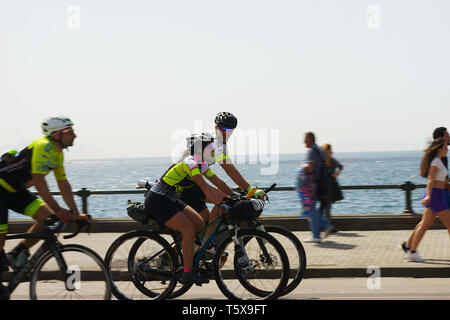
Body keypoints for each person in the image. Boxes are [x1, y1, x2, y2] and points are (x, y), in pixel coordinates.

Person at [0, 116, 90, 298]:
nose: (75, 135)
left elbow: (63, 184)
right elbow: (40, 183)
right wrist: (59, 209)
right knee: (0, 239)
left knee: (49, 220)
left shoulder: (58, 153)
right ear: (56, 135)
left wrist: (75, 213)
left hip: (16, 192)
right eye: (70, 132)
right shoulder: (43, 146)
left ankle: (18, 252)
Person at [144, 133, 231, 284]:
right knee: (189, 229)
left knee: (199, 224)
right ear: (200, 149)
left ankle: (185, 258)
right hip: (157, 200)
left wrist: (236, 197)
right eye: (210, 147)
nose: (212, 151)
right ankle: (187, 272)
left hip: (171, 198)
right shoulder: (190, 162)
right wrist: (222, 202)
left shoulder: (201, 164)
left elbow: (219, 182)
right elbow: (205, 188)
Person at [179, 112, 268, 249]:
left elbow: (218, 178)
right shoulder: (213, 142)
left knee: (203, 226)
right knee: (223, 200)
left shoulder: (220, 143)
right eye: (224, 129)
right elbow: (230, 170)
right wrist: (251, 189)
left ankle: (169, 257)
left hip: (194, 184)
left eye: (230, 130)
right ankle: (208, 244)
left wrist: (236, 193)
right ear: (216, 127)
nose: (227, 133)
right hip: (185, 184)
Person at [401, 138, 450, 262]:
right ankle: (411, 251)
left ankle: (411, 251)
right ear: (439, 148)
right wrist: (428, 196)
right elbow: (430, 180)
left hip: (438, 194)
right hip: (435, 196)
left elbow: (438, 180)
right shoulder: (436, 162)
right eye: (445, 146)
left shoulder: (438, 161)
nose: (447, 148)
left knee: (424, 225)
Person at [303, 132, 333, 243]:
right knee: (313, 208)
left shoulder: (311, 151)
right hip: (320, 183)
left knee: (311, 209)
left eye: (305, 139)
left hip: (311, 183)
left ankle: (317, 234)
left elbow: (310, 167)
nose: (304, 141)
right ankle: (325, 225)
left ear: (311, 139)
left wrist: (302, 167)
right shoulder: (320, 150)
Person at [320, 144, 344, 233]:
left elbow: (341, 167)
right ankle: (326, 226)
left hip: (330, 188)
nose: (329, 152)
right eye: (327, 150)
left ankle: (327, 226)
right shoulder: (323, 161)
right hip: (323, 188)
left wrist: (336, 175)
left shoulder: (332, 160)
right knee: (324, 209)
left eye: (329, 150)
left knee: (327, 208)